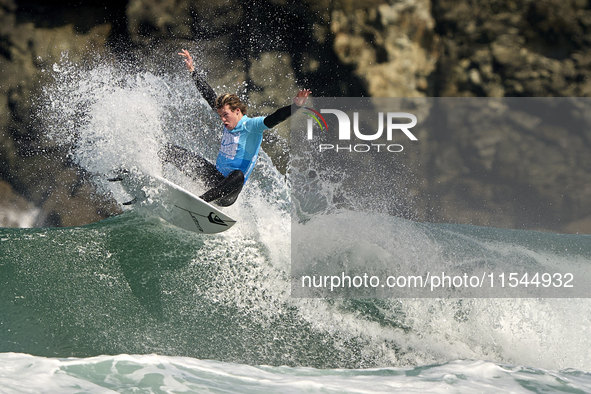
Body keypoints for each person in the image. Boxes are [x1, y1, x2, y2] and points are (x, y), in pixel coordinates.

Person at [160, 49, 311, 207]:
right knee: (169, 151)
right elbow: (209, 94)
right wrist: (192, 71)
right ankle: (156, 185)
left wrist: (295, 106)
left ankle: (198, 202)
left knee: (238, 175)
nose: (223, 120)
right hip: (214, 180)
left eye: (225, 115)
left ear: (237, 111)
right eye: (220, 116)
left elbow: (275, 117)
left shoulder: (252, 126)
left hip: (229, 192)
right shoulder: (228, 120)